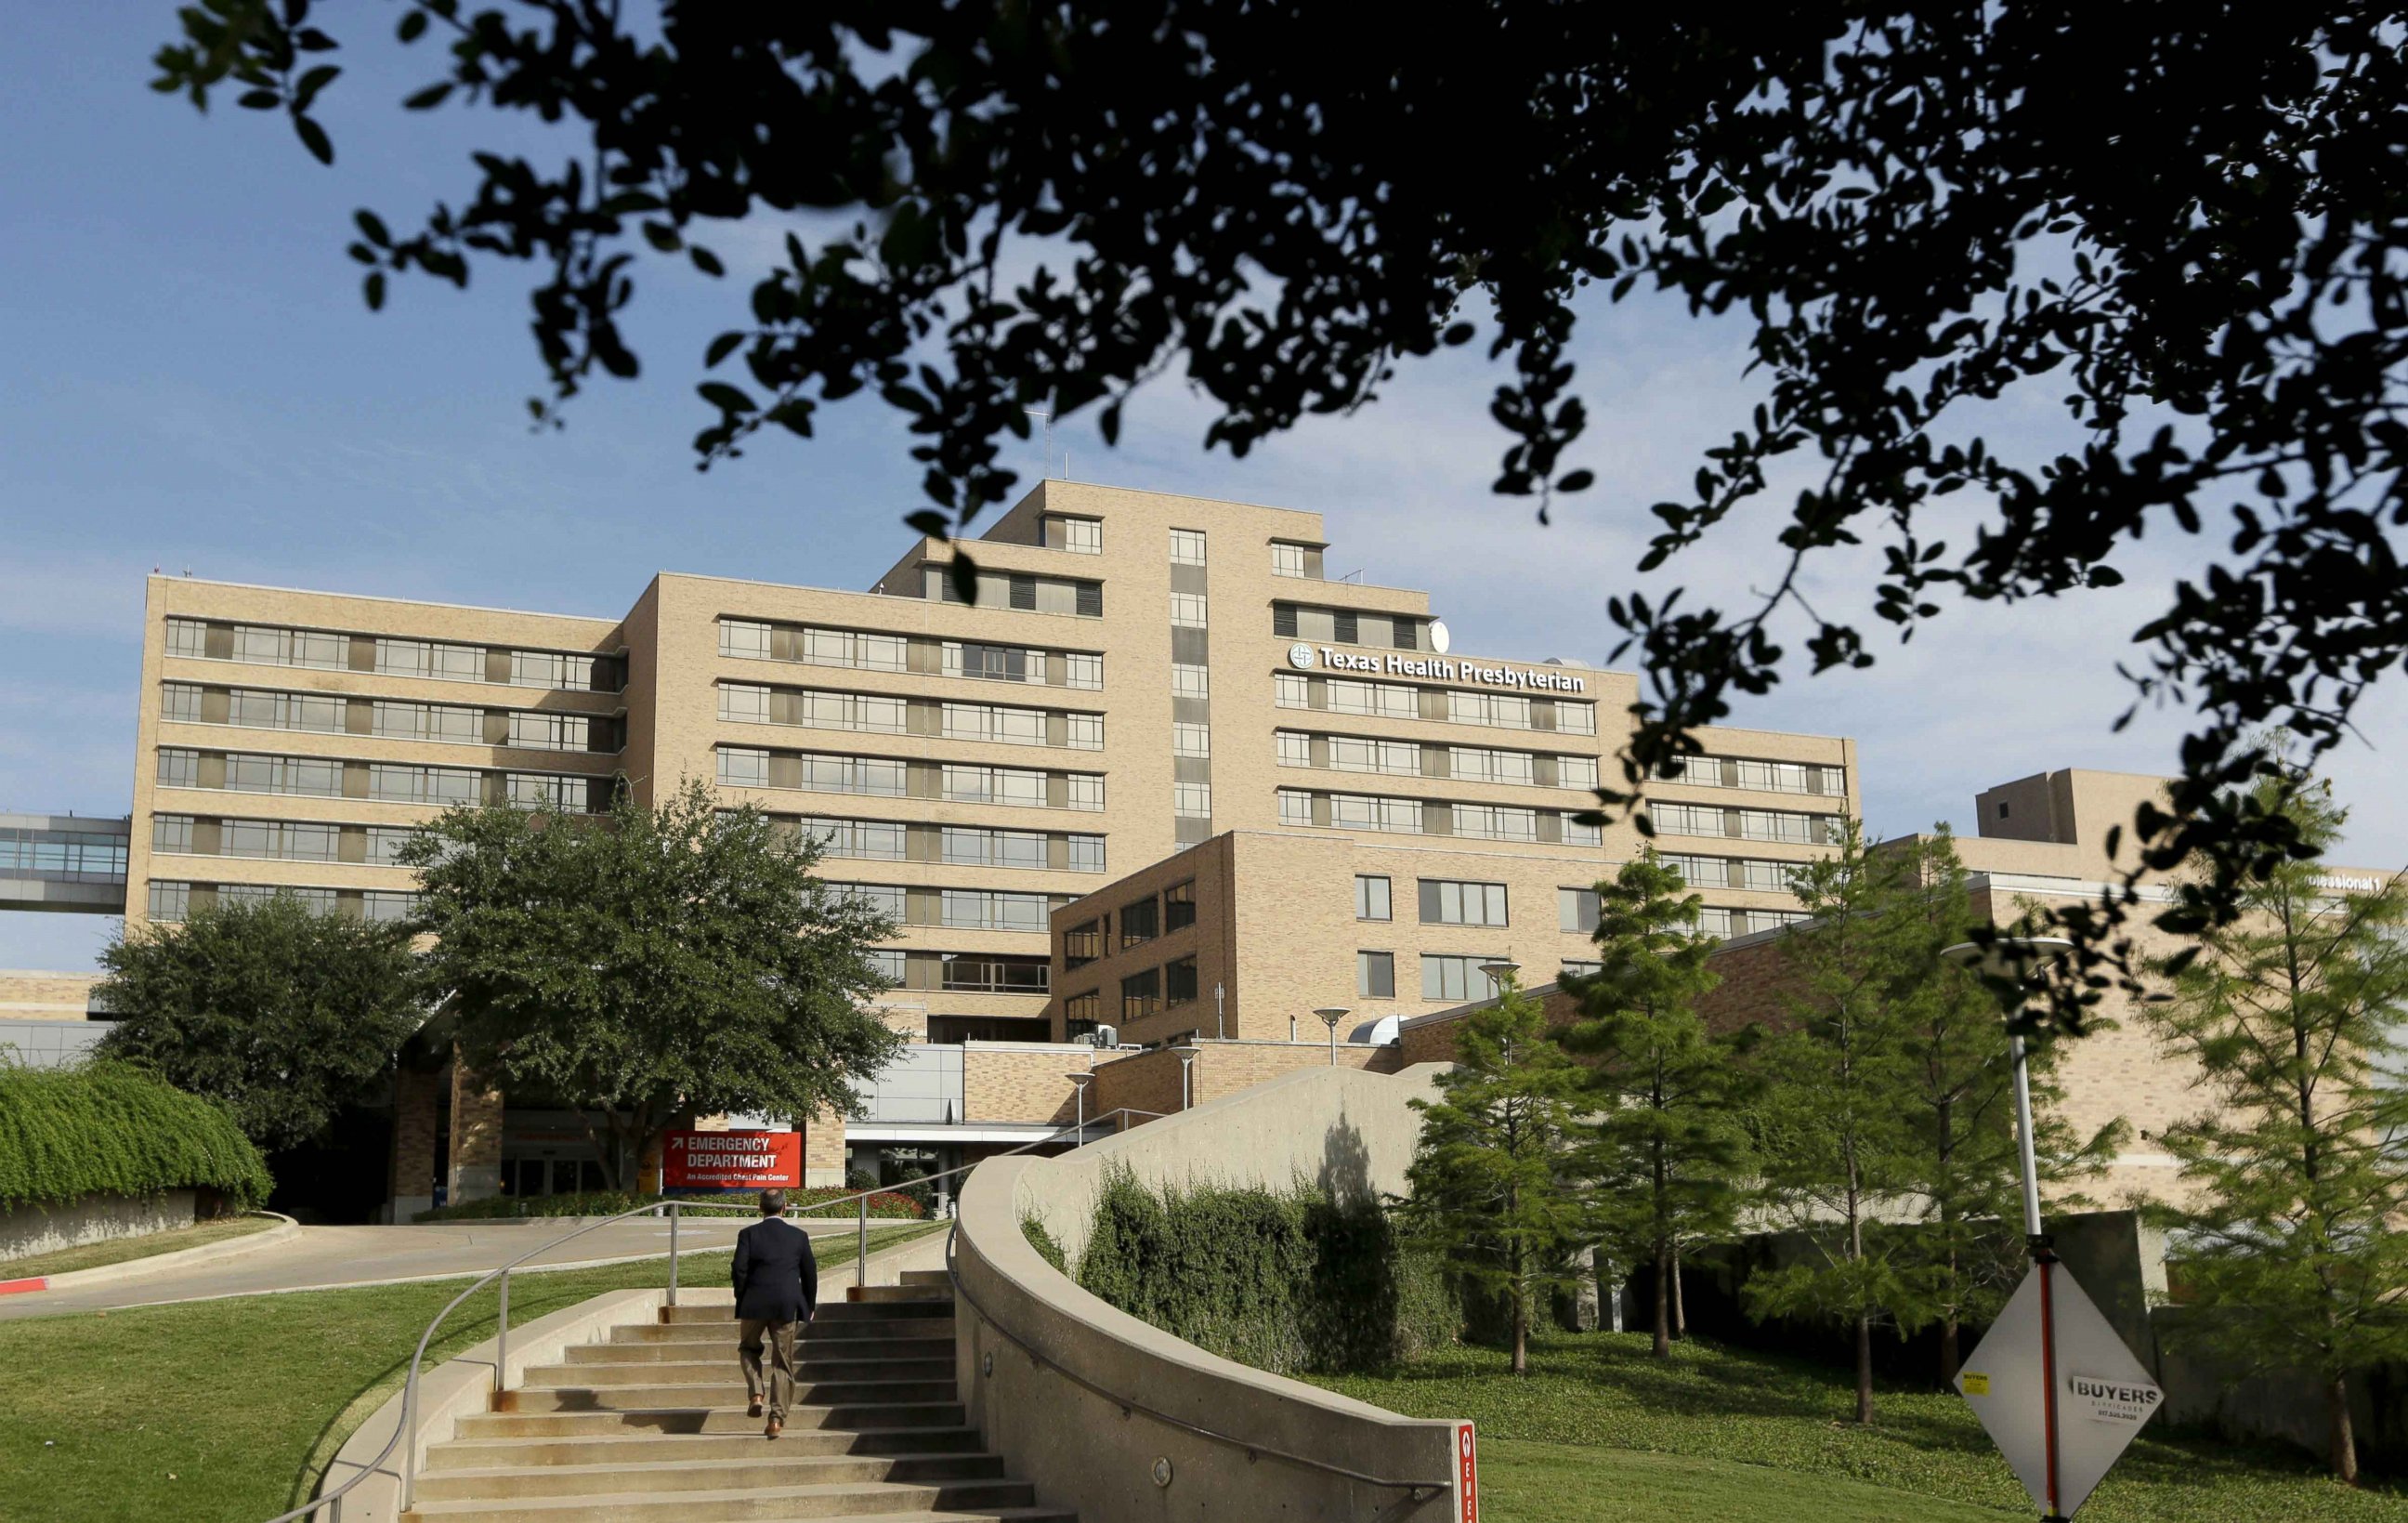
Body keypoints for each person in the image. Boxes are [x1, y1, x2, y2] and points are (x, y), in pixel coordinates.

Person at [731, 1188, 818, 1438]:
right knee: (782, 1362)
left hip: (754, 1303)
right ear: (785, 1207)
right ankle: (776, 1420)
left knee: (748, 1348)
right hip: (785, 1305)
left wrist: (742, 1295)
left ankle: (756, 1393)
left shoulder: (748, 1234)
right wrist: (809, 1306)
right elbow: (809, 1273)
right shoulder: (799, 1236)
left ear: (760, 1208)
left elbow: (739, 1269)